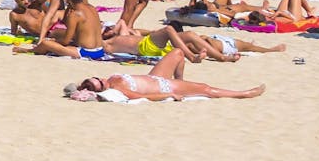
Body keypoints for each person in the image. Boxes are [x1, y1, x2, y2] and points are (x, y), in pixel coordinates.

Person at [64, 48, 264, 101]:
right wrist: (169, 95)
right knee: (205, 89)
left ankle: (182, 82)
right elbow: (144, 96)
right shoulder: (119, 88)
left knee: (177, 53)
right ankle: (243, 93)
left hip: (155, 76)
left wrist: (82, 87)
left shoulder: (112, 79)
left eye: (96, 77)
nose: (100, 78)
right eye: (99, 82)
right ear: (103, 88)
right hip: (164, 86)